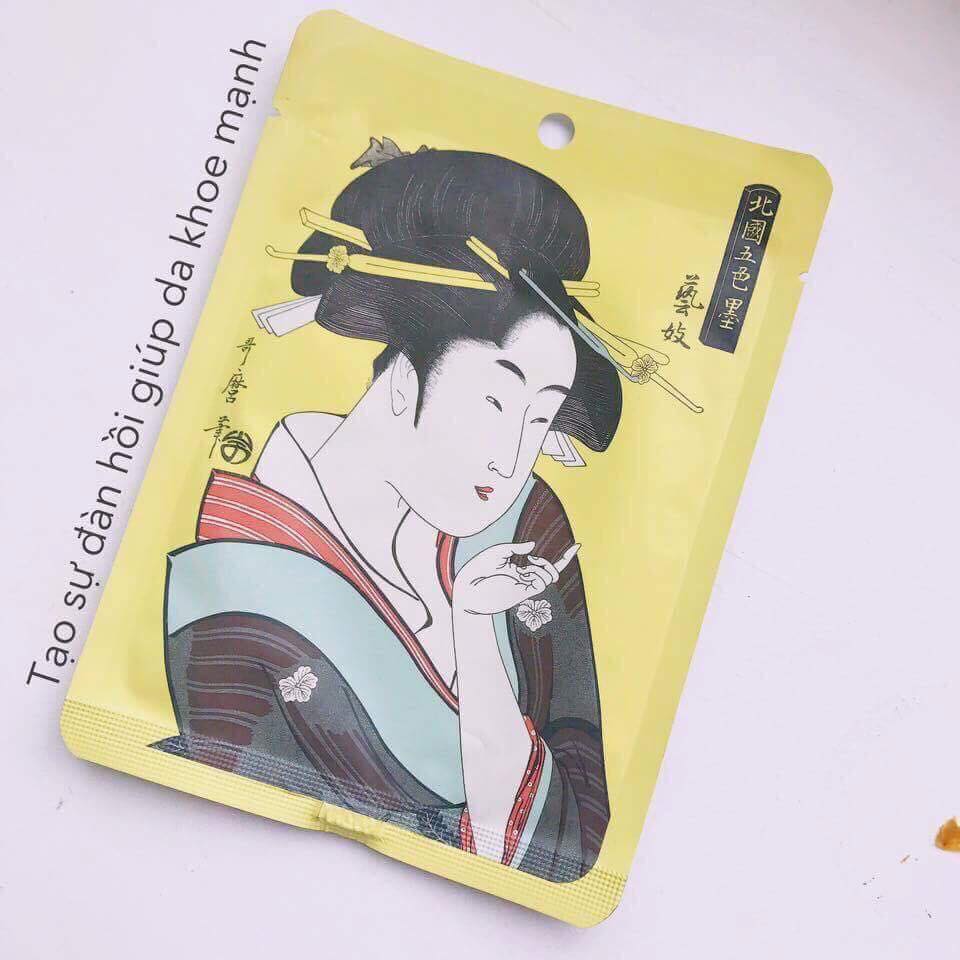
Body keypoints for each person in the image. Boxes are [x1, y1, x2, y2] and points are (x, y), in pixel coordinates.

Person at [155, 148, 621, 883]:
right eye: (496, 402)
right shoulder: (239, 589)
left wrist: (474, 628)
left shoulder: (526, 526)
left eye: (539, 421)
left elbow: (574, 837)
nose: (511, 459)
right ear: (404, 378)